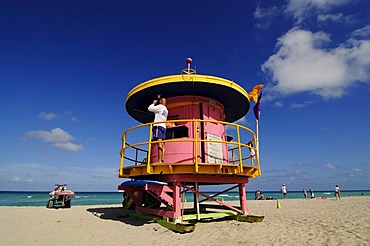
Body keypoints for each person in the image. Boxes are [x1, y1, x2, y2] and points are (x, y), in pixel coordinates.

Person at [148, 97, 168, 163]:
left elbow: (150, 109)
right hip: (164, 127)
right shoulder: (166, 110)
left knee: (159, 143)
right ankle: (162, 159)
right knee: (162, 144)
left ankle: (159, 160)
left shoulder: (160, 106)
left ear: (161, 101)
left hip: (158, 126)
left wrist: (153, 103)